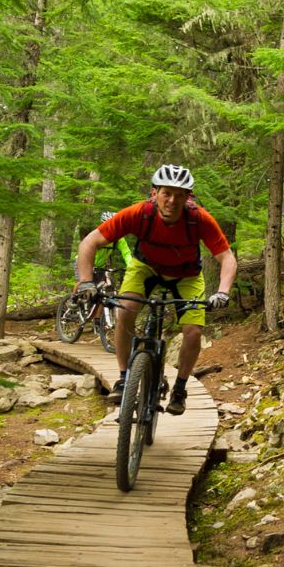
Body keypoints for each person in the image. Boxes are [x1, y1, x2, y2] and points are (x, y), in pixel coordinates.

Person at [74, 165, 236, 416]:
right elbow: (90, 242)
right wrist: (86, 282)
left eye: (180, 195)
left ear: (188, 197)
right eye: (167, 193)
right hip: (145, 268)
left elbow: (226, 257)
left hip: (187, 274)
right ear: (154, 193)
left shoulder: (198, 218)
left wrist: (223, 292)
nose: (173, 200)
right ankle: (124, 377)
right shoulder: (139, 213)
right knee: (126, 310)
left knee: (193, 331)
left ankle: (180, 388)